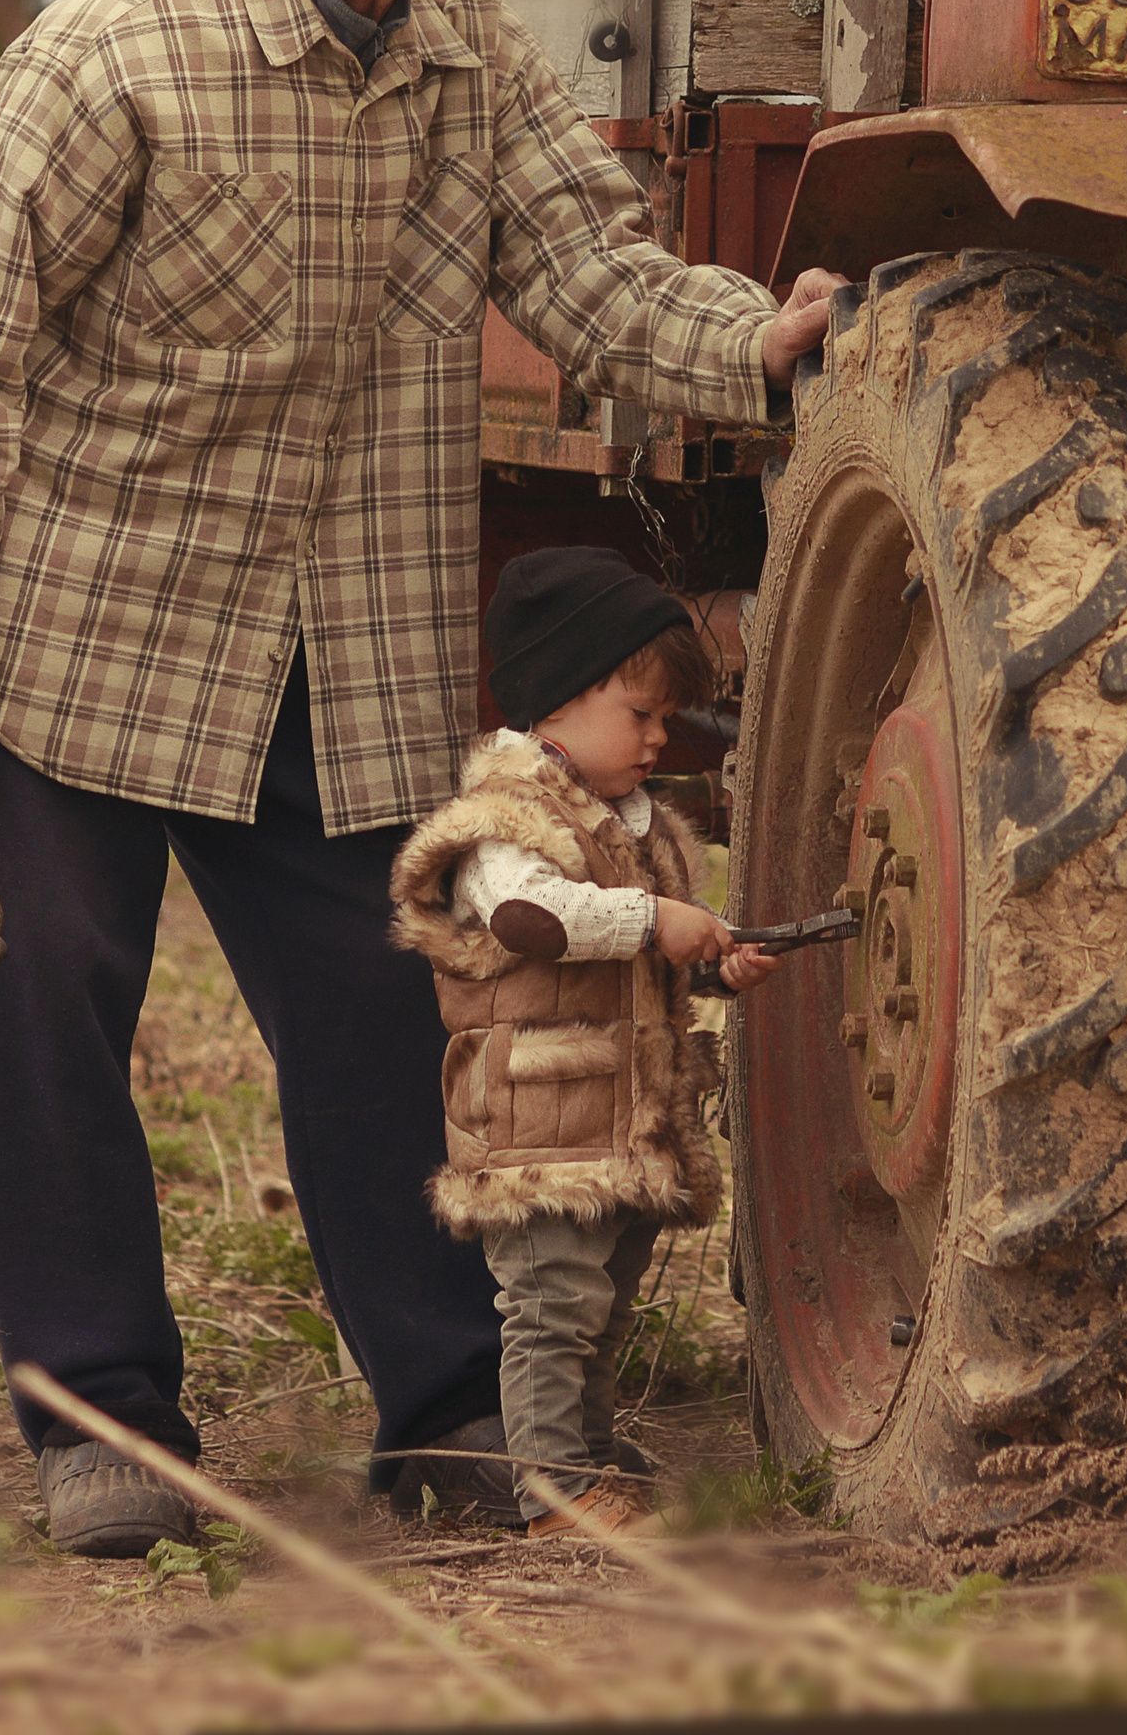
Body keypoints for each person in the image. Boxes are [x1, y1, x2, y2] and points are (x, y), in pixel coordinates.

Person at [0, 0, 842, 1557]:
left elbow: (592, 279)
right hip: (77, 637)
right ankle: (102, 1422)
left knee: (393, 1017)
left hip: (346, 646)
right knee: (52, 1012)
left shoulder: (481, 62)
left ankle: (446, 1402)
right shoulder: (115, 54)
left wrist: (760, 342)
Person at [389, 548, 782, 1536]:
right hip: (540, 1123)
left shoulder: (632, 825)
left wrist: (703, 963)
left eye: (666, 717)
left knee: (598, 1309)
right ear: (557, 700)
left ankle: (588, 1467)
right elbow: (534, 923)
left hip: (621, 1118)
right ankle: (553, 1491)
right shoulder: (503, 822)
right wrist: (656, 919)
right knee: (552, 1303)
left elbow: (621, 960)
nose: (661, 736)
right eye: (640, 714)